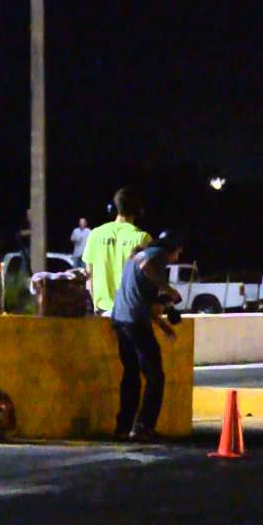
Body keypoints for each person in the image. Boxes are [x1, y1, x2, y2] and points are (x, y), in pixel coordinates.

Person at [111, 231, 184, 441]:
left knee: (131, 375)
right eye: (177, 253)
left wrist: (163, 325)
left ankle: (123, 427)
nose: (176, 259)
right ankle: (143, 426)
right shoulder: (156, 255)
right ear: (171, 248)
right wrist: (169, 289)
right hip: (135, 323)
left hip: (121, 320)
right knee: (155, 376)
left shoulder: (137, 257)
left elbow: (143, 299)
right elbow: (147, 267)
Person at [84, 188, 152, 314]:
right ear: (138, 210)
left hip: (101, 310)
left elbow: (89, 275)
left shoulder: (95, 234)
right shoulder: (142, 238)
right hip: (130, 312)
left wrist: (94, 306)